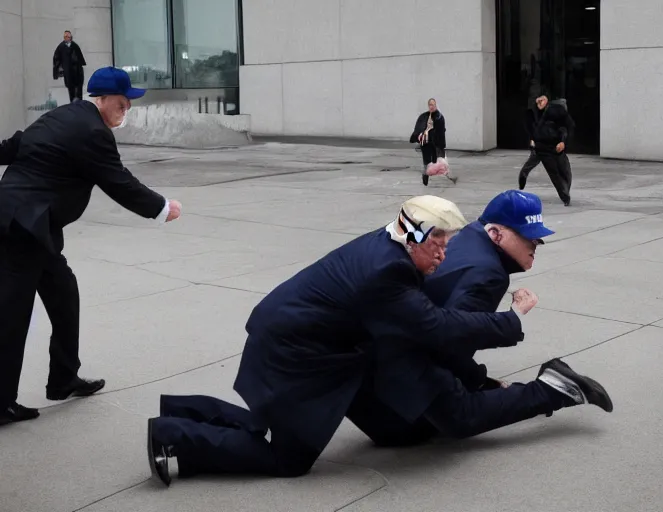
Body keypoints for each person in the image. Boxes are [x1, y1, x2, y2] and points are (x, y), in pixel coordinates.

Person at [147, 196, 527, 486]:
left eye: (448, 245)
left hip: (300, 335)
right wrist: (510, 321)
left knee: (268, 425)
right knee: (288, 460)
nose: (444, 256)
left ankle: (181, 413)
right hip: (296, 351)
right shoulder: (388, 271)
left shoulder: (391, 244)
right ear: (413, 236)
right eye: (437, 246)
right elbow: (438, 326)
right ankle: (173, 437)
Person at [345, 190, 612, 447]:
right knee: (460, 418)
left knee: (404, 431)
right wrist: (475, 380)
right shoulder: (489, 273)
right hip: (403, 353)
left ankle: (520, 390)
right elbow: (452, 338)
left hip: (388, 344)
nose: (535, 245)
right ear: (496, 234)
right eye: (528, 238)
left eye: (537, 238)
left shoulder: (468, 238)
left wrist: (476, 381)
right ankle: (554, 389)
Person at [0, 66, 183, 427]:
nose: (127, 107)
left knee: (65, 296)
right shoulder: (91, 131)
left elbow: (16, 145)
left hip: (37, 229)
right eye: (123, 100)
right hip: (21, 230)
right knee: (10, 317)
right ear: (102, 98)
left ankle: (64, 377)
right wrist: (162, 208)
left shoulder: (65, 115)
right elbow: (118, 181)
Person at [519, 95, 575, 206]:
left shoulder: (558, 116)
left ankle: (565, 193)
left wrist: (564, 142)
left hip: (554, 146)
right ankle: (564, 195)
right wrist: (532, 140)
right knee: (553, 171)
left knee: (564, 170)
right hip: (542, 147)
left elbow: (568, 128)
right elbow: (532, 126)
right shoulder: (537, 112)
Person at [410, 98, 457, 187]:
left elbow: (441, 131)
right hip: (426, 142)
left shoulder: (439, 117)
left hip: (436, 143)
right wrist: (418, 135)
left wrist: (441, 145)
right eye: (430, 105)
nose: (432, 106)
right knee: (427, 161)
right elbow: (418, 127)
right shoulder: (424, 116)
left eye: (433, 105)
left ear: (436, 105)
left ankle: (448, 176)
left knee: (440, 161)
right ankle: (426, 175)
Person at [53, 30, 87, 103]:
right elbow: (56, 58)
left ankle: (79, 102)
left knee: (78, 89)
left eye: (68, 36)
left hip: (77, 71)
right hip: (68, 71)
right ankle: (72, 102)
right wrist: (59, 70)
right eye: (65, 37)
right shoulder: (61, 47)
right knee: (70, 88)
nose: (67, 38)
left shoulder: (75, 45)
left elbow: (80, 58)